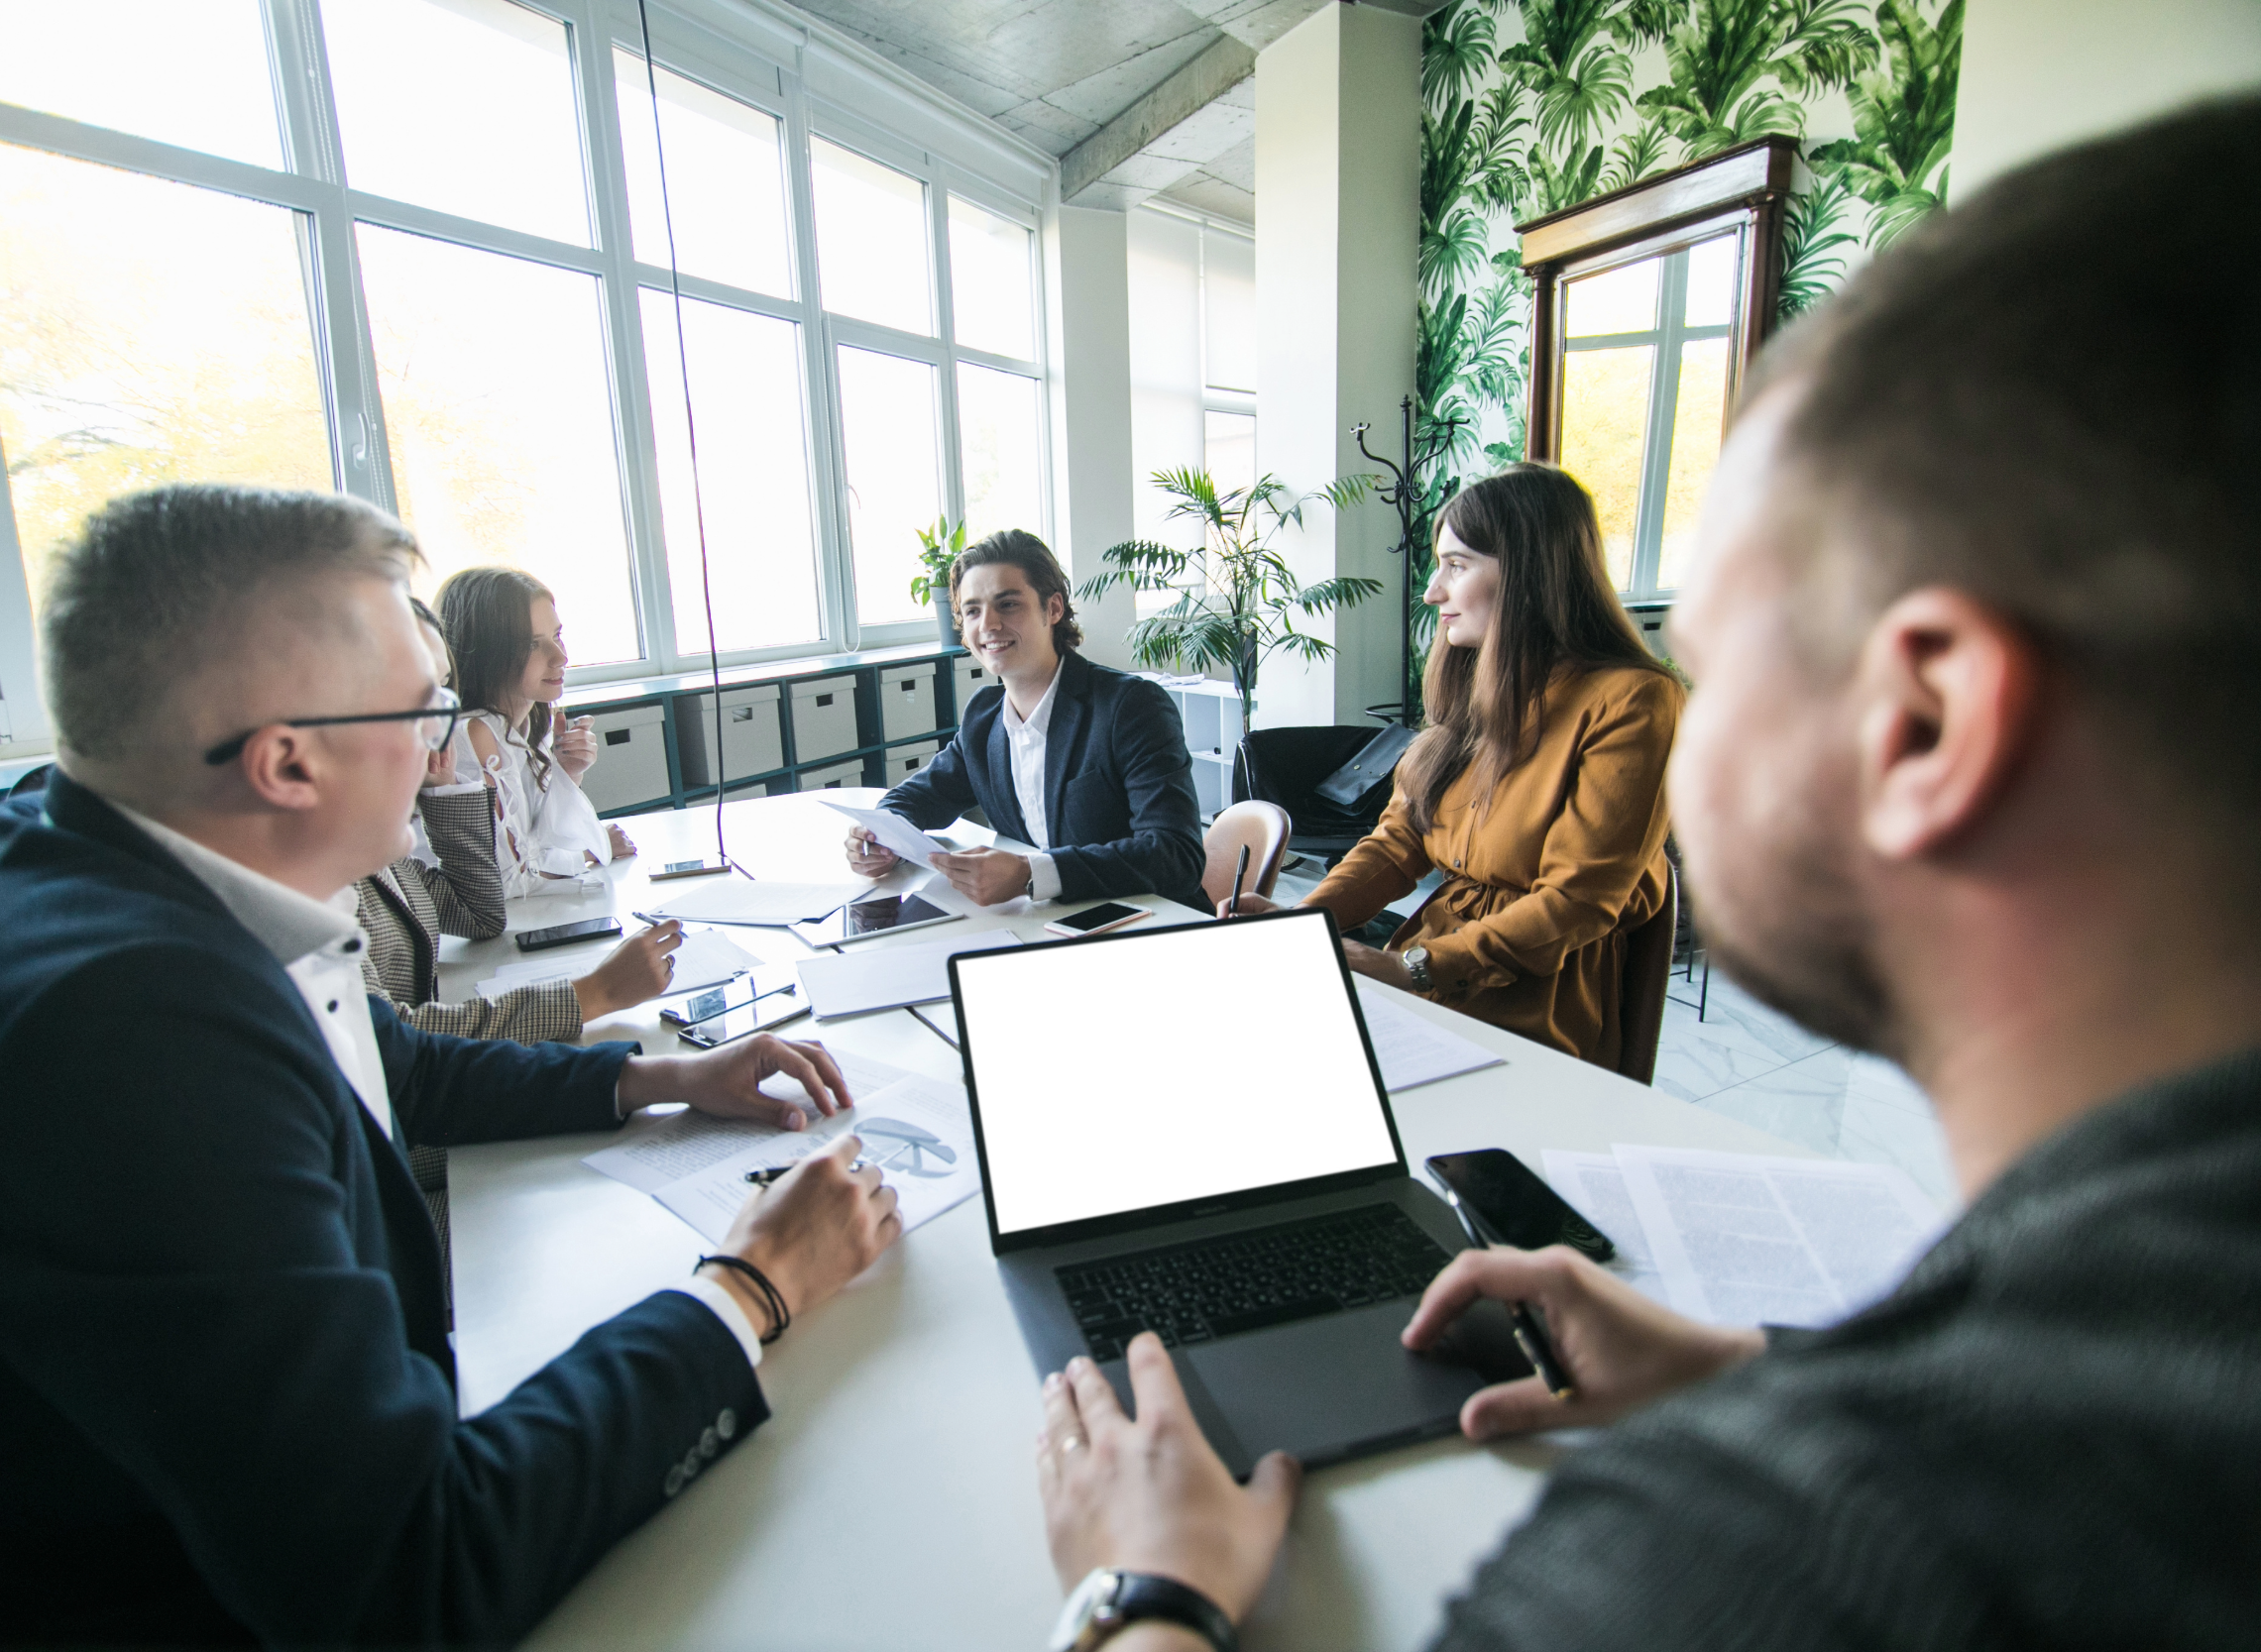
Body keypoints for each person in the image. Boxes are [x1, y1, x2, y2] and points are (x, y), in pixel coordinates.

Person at [1033, 96, 2261, 1651]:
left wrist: (1148, 1590)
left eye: (1729, 651)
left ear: (1927, 718)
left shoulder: (1752, 1553)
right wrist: (1750, 1362)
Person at [0, 485, 902, 1647]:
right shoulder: (118, 1032)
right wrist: (749, 1287)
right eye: (420, 713)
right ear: (285, 764)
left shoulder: (134, 890)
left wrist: (662, 1079)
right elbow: (410, 1574)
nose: (440, 748)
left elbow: (395, 1066)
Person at [1223, 465, 1681, 1068]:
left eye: (1456, 565)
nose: (1432, 591)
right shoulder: (1475, 686)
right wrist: (1304, 928)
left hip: (1536, 1008)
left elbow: (1577, 902)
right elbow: (1394, 846)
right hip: (1432, 977)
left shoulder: (1632, 700)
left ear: (1528, 574)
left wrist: (1412, 967)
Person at [358, 598, 677, 1043]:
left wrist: (446, 787)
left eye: (444, 691)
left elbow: (479, 916)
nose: (441, 723)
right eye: (417, 696)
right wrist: (597, 991)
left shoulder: (381, 862)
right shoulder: (329, 882)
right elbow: (396, 1044)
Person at [843, 529, 1207, 914]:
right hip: (1047, 922)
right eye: (972, 610)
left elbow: (1176, 854)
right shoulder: (984, 717)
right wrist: (880, 840)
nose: (989, 625)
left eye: (1008, 604)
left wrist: (1030, 873)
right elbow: (916, 798)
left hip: (1148, 922)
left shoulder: (1130, 706)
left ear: (1053, 609)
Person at [436, 564, 615, 895]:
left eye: (557, 636)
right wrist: (590, 851)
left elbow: (535, 841)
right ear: (487, 652)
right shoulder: (473, 734)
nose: (560, 656)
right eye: (533, 644)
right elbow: (512, 880)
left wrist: (567, 773)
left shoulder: (528, 720)